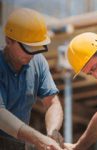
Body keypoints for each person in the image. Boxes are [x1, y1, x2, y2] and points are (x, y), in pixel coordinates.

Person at [0, 8, 64, 150]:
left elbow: (52, 103)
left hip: (17, 144)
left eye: (37, 47)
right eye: (28, 47)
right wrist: (38, 139)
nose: (32, 54)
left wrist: (52, 133)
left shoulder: (38, 61)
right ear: (8, 40)